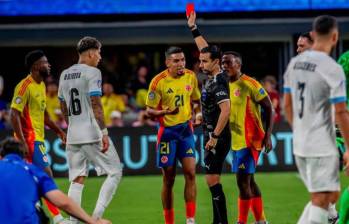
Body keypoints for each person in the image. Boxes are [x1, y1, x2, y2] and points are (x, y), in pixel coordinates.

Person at [188, 12, 274, 224]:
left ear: (239, 65)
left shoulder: (250, 84)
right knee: (249, 182)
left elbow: (269, 107)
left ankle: (241, 221)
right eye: (224, 64)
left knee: (243, 181)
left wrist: (268, 135)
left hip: (250, 138)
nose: (225, 66)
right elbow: (207, 52)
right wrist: (193, 28)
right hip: (236, 139)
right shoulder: (224, 80)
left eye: (229, 64)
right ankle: (261, 220)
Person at [283, 15, 349, 224]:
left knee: (325, 197)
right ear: (335, 36)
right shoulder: (332, 68)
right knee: (323, 199)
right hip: (322, 142)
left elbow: (286, 105)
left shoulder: (294, 65)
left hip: (302, 141)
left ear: (313, 34)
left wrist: (299, 131)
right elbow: (340, 112)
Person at [58, 36, 122, 223]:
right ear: (92, 52)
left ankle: (73, 222)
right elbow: (96, 103)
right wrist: (103, 132)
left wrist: (71, 127)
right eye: (99, 52)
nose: (100, 57)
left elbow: (63, 106)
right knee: (115, 171)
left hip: (73, 134)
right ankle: (96, 217)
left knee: (77, 179)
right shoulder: (93, 72)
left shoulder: (64, 74)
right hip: (91, 131)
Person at [10, 50, 68, 224]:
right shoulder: (24, 86)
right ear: (36, 66)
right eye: (45, 62)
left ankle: (34, 208)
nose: (48, 65)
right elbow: (14, 114)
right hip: (29, 138)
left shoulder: (41, 85)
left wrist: (58, 130)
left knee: (32, 178)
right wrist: (21, 141)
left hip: (38, 138)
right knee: (46, 174)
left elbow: (44, 115)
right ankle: (57, 217)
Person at [145, 46, 201, 224]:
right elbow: (149, 111)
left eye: (182, 60)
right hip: (167, 133)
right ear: (167, 62)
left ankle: (190, 219)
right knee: (169, 178)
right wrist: (164, 112)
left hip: (186, 131)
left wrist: (198, 114)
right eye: (176, 61)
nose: (180, 64)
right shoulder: (158, 81)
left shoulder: (191, 76)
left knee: (191, 173)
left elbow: (196, 100)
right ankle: (169, 221)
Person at [0, 138, 111, 224]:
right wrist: (92, 222)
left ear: (1, 156)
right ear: (24, 157)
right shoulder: (33, 171)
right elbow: (64, 203)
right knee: (38, 212)